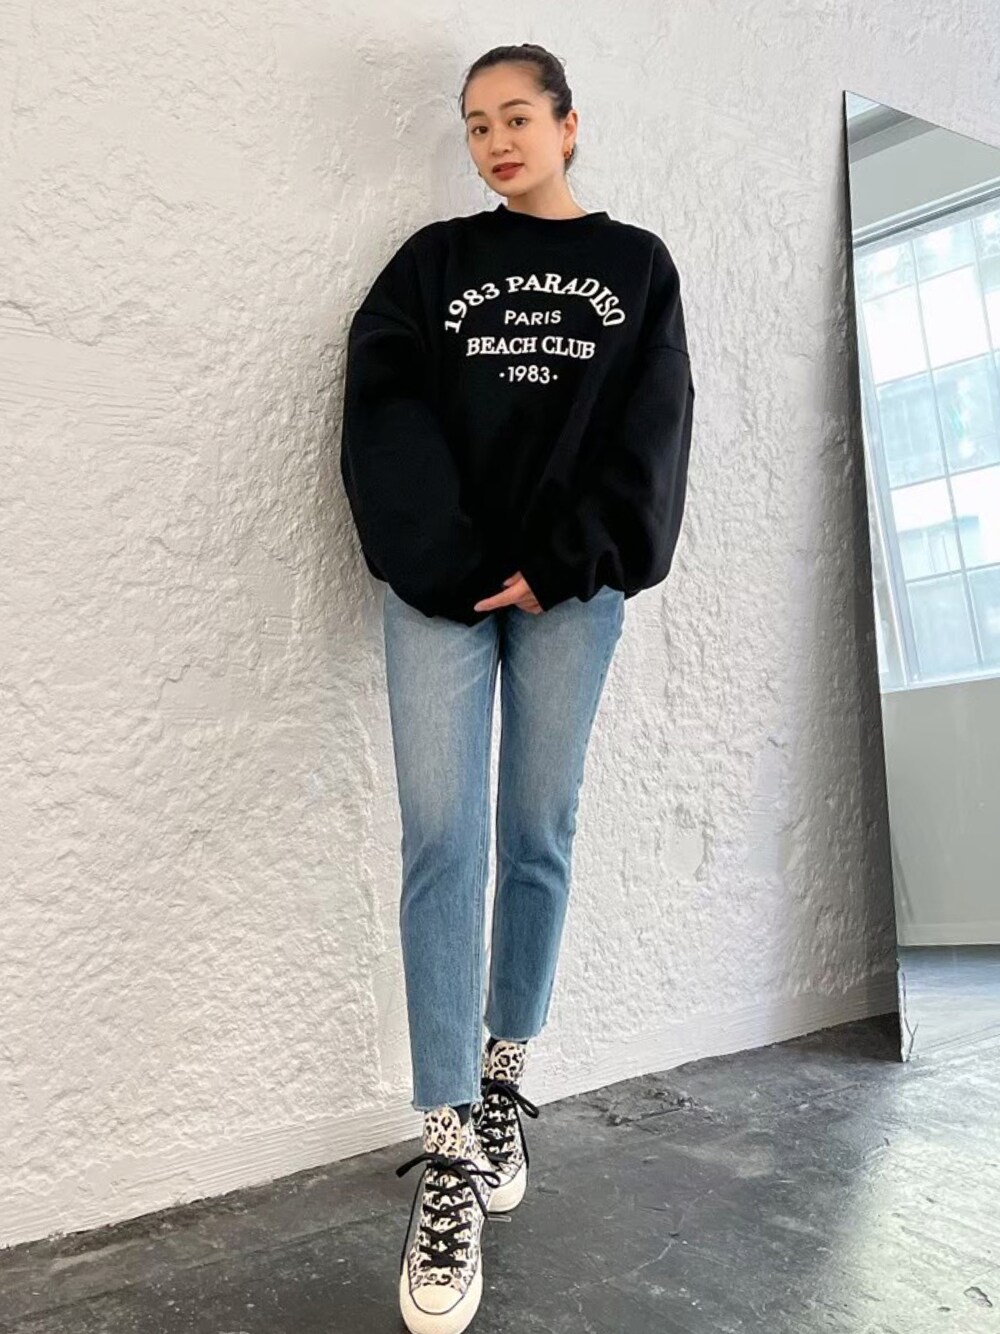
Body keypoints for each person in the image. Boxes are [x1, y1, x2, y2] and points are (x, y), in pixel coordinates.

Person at [340, 42, 695, 1334]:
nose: (495, 141)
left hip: (570, 592)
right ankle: (448, 1148)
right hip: (439, 587)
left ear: (567, 125)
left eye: (516, 118)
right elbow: (381, 405)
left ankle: (502, 1084)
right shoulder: (431, 264)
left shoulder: (637, 265)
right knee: (443, 840)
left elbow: (653, 429)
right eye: (476, 123)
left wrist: (564, 562)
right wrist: (444, 557)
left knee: (536, 832)